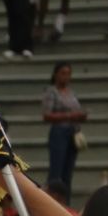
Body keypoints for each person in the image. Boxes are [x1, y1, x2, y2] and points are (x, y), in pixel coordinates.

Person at [42, 61, 85, 191]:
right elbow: (46, 115)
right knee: (56, 171)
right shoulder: (51, 92)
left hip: (73, 131)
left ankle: (65, 202)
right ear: (56, 74)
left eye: (68, 74)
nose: (66, 77)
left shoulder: (71, 92)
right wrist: (69, 116)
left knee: (68, 172)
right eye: (63, 73)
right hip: (59, 131)